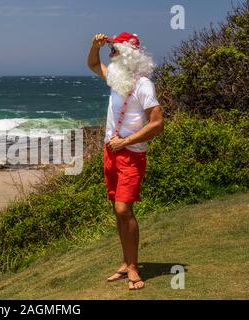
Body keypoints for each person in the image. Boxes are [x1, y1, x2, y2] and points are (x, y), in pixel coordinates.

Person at [87, 32, 164, 290]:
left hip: (131, 155)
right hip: (111, 153)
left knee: (123, 209)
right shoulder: (117, 79)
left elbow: (157, 124)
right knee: (117, 211)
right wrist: (94, 47)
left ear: (128, 55)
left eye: (115, 51)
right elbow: (93, 65)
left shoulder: (144, 86)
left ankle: (133, 268)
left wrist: (126, 142)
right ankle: (126, 261)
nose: (111, 55)